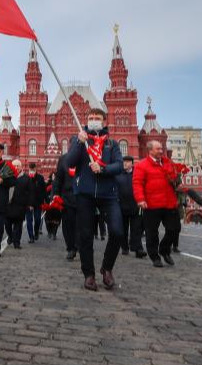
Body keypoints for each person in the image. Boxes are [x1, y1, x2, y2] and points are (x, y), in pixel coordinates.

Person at [65, 108, 124, 291]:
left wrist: (103, 168)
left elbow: (120, 165)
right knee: (85, 235)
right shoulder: (80, 140)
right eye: (90, 118)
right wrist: (78, 143)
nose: (93, 121)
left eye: (97, 118)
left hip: (108, 194)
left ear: (104, 122)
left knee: (117, 232)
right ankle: (88, 274)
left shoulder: (111, 144)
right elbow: (69, 162)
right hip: (85, 193)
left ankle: (107, 268)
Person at [133, 140, 182, 268]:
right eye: (158, 149)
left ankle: (164, 250)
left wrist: (177, 181)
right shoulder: (142, 165)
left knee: (174, 229)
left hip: (169, 202)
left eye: (161, 148)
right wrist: (140, 199)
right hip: (151, 204)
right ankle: (155, 257)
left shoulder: (168, 163)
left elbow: (176, 178)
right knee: (152, 232)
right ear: (150, 151)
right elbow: (137, 183)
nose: (161, 151)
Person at [116, 156, 146, 258]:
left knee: (136, 228)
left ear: (132, 164)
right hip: (121, 206)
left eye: (128, 162)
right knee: (123, 229)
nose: (125, 163)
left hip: (135, 205)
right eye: (124, 161)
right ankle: (124, 247)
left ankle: (138, 249)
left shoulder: (137, 174)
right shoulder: (118, 174)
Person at [53, 153, 78, 260]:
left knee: (81, 224)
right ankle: (70, 248)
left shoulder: (87, 157)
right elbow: (58, 177)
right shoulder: (63, 159)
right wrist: (56, 194)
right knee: (67, 224)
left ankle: (77, 245)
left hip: (82, 197)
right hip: (67, 197)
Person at [7, 159, 30, 249]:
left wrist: (29, 203)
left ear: (21, 167)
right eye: (14, 166)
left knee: (18, 225)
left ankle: (17, 243)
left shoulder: (26, 178)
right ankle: (10, 236)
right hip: (9, 204)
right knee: (7, 224)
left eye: (18, 166)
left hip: (20, 205)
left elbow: (29, 192)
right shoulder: (7, 177)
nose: (16, 167)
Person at [24, 162, 46, 243]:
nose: (32, 171)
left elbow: (43, 191)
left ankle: (36, 231)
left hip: (37, 203)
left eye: (33, 169)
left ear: (36, 169)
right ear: (29, 169)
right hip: (28, 203)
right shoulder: (26, 177)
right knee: (29, 220)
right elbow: (25, 192)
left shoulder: (40, 178)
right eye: (30, 169)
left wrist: (44, 201)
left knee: (37, 219)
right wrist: (28, 203)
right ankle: (31, 237)